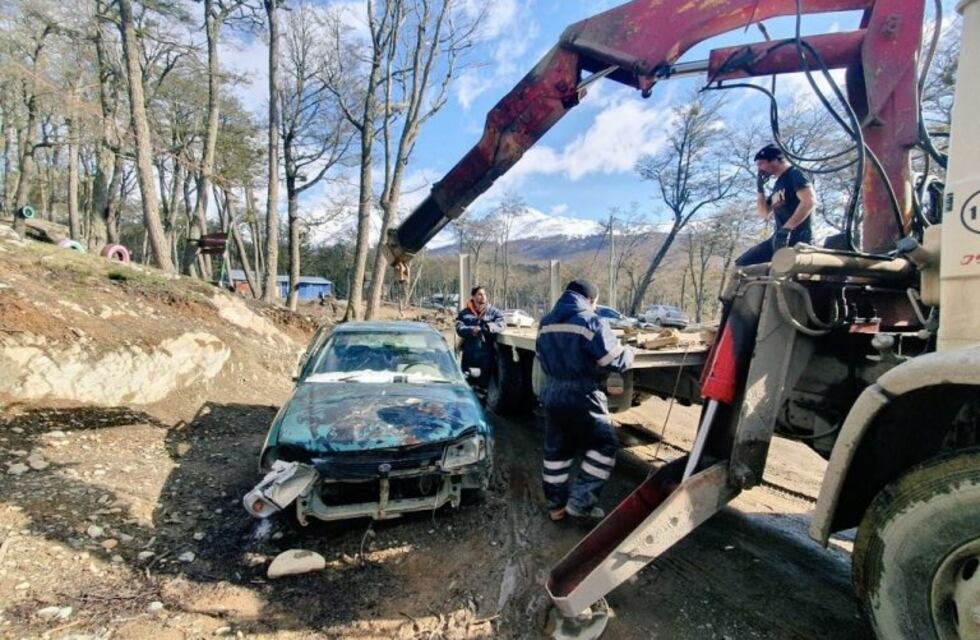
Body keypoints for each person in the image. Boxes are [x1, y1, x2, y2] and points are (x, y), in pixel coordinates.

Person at [535, 279, 635, 524]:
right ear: (590, 299)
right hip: (582, 395)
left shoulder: (546, 323)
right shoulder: (591, 321)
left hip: (553, 392)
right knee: (605, 444)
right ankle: (581, 504)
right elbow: (614, 361)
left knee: (557, 451)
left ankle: (555, 507)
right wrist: (631, 350)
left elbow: (540, 355)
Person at [736, 144, 817, 267]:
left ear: (775, 160)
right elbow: (764, 213)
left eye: (761, 164)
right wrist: (760, 189)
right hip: (778, 239)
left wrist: (787, 228)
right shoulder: (778, 184)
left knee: (782, 274)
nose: (759, 169)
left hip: (799, 239)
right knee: (743, 264)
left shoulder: (796, 173)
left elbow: (809, 202)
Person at [454, 286, 505, 390]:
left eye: (485, 294)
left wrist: (489, 327)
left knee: (483, 387)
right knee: (468, 386)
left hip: (486, 355)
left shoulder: (494, 312)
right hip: (469, 355)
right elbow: (459, 327)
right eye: (480, 294)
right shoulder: (464, 313)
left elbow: (502, 323)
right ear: (473, 296)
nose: (483, 297)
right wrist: (472, 330)